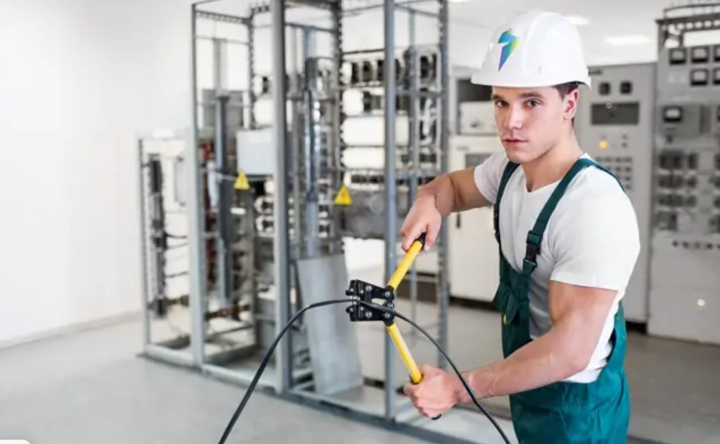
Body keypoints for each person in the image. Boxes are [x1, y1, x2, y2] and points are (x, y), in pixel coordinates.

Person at [399, 9, 640, 444]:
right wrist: (428, 202)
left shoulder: (594, 208)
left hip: (576, 410)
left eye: (531, 102)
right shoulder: (509, 169)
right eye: (501, 102)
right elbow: (450, 187)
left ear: (569, 104)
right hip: (528, 384)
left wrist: (457, 388)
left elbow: (569, 350)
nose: (511, 121)